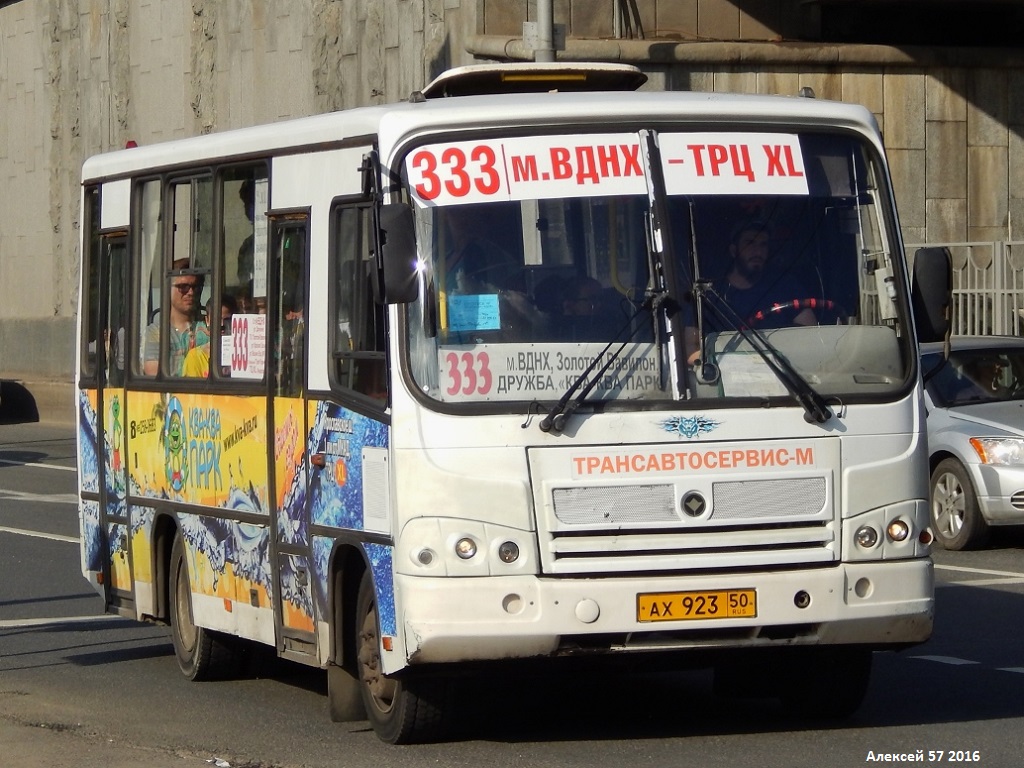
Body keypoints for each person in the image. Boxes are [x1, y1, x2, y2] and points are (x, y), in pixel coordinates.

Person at [685, 219, 814, 363]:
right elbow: (691, 347)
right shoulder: (708, 294)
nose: (758, 251)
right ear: (734, 251)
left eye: (763, 245)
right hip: (725, 378)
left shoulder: (786, 286)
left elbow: (811, 336)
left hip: (787, 375)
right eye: (750, 243)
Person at [143, 258, 211, 376]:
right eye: (183, 286)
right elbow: (153, 373)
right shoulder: (155, 333)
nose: (190, 292)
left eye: (196, 287)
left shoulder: (210, 327)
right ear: (168, 288)